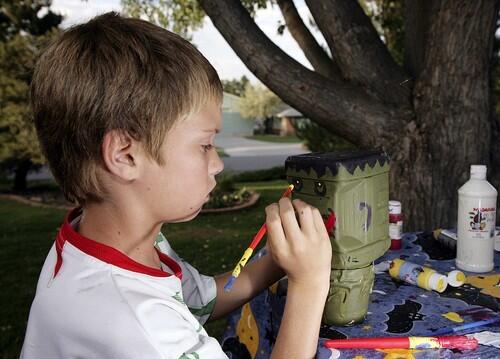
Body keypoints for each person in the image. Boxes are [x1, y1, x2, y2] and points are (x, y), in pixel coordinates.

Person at [21, 12, 332, 359]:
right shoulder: (138, 326)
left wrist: (279, 261)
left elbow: (199, 300)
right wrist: (309, 284)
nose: (217, 164)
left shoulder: (113, 241)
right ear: (125, 155)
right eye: (204, 145)